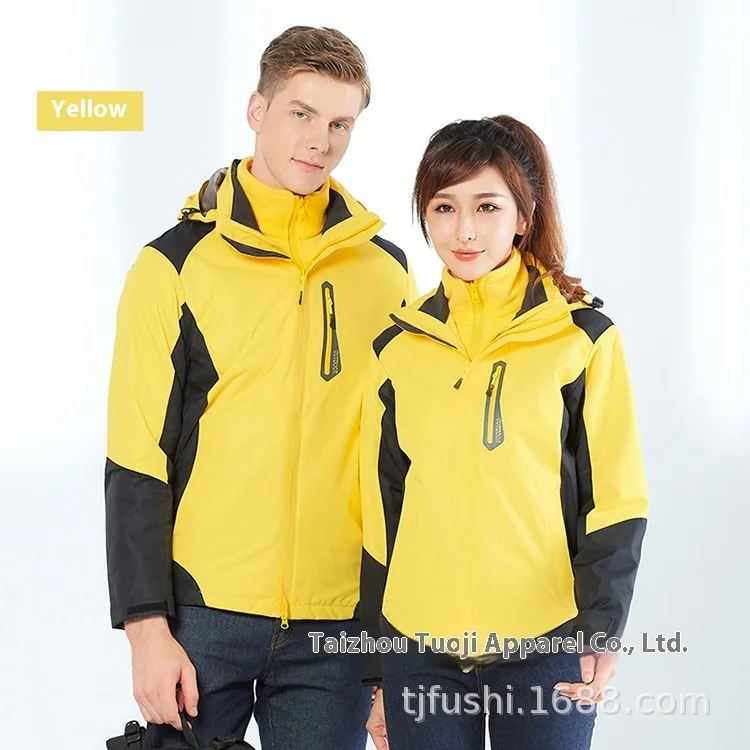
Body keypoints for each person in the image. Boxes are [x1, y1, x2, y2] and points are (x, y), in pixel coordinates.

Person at [105, 25, 416, 749]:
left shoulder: (386, 273)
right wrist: (146, 629)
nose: (320, 141)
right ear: (257, 109)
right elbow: (135, 456)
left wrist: (390, 649)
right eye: (301, 114)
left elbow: (398, 464)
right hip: (201, 611)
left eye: (340, 124)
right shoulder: (174, 265)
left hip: (336, 625)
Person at [359, 115, 648, 749]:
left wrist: (601, 630)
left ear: (524, 216)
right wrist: (377, 669)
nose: (464, 230)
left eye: (487, 206)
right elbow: (381, 511)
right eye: (444, 207)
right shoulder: (397, 348)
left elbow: (616, 500)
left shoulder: (581, 337)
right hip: (418, 648)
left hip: (546, 641)